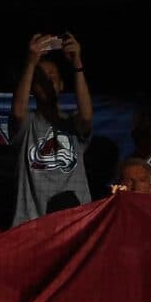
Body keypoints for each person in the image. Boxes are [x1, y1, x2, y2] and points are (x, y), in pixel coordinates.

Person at [14, 32, 94, 219]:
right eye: (42, 79)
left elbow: (87, 115)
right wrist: (31, 63)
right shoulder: (28, 124)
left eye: (52, 77)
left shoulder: (72, 123)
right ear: (33, 87)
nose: (48, 82)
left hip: (75, 221)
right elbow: (18, 112)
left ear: (61, 84)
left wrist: (77, 64)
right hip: (32, 223)